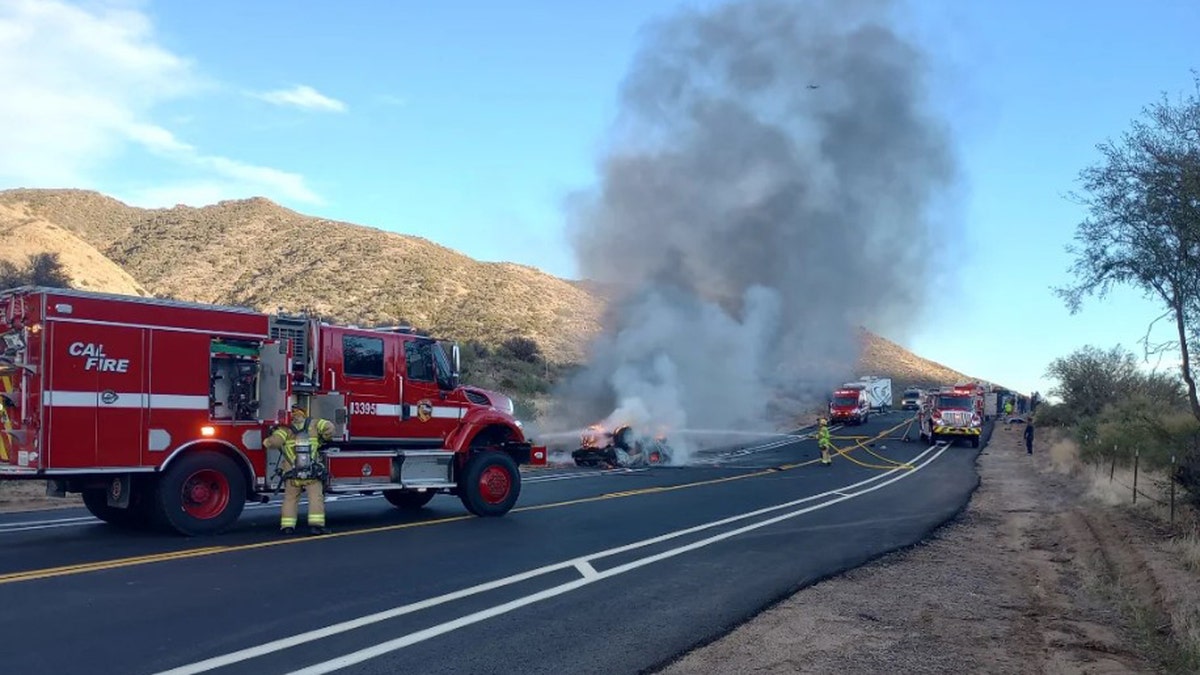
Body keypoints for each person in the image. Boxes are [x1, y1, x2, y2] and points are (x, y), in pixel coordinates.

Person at [265, 403, 335, 535]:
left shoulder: (284, 429)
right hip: (312, 472)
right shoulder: (314, 423)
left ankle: (287, 526)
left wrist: (267, 441)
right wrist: (325, 437)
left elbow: (273, 442)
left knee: (290, 499)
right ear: (304, 412)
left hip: (291, 474)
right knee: (315, 498)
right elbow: (330, 428)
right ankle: (316, 526)